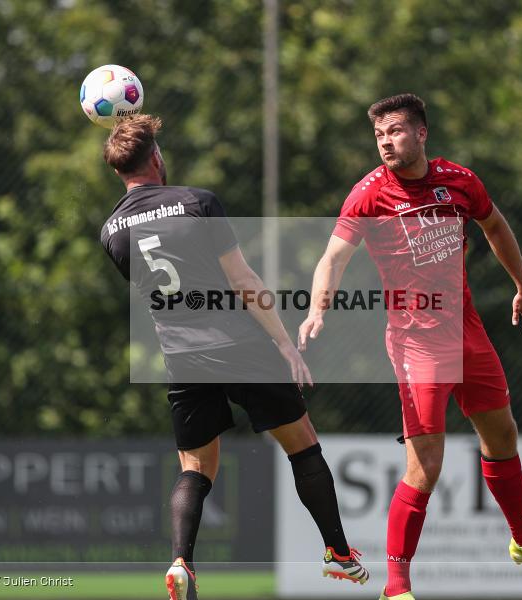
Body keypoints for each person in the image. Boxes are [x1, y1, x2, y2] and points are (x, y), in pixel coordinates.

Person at [298, 94, 522, 600]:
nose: (386, 142)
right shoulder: (369, 194)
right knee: (426, 465)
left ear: (422, 133)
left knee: (502, 435)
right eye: (379, 135)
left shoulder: (460, 180)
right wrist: (318, 306)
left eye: (395, 131)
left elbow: (494, 225)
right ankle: (396, 587)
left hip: (467, 330)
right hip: (415, 342)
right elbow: (333, 257)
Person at [100, 114, 369, 600]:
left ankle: (182, 561)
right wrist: (285, 345)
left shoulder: (111, 233)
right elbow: (244, 282)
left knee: (195, 467)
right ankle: (339, 553)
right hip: (239, 345)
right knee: (303, 446)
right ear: (157, 157)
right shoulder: (196, 202)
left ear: (118, 170)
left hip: (181, 357)